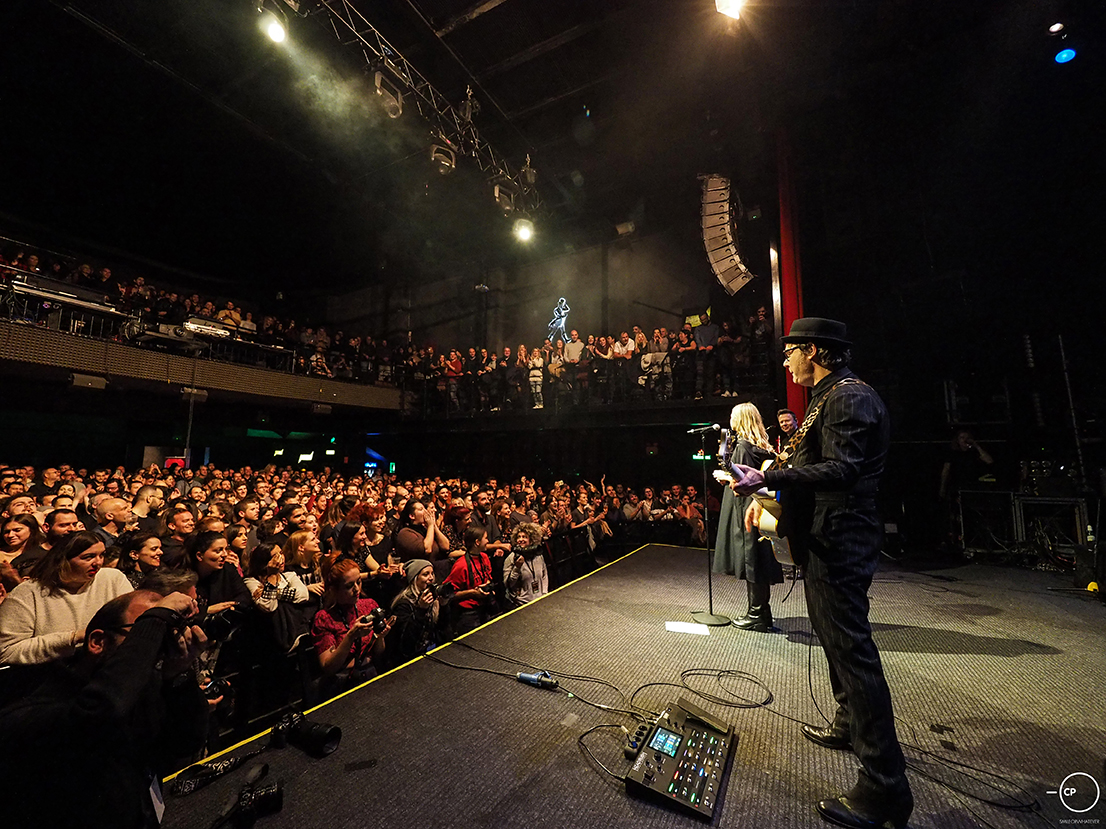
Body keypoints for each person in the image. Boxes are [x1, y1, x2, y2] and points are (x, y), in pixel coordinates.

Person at [728, 318, 912, 829]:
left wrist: (771, 477)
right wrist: (769, 487)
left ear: (813, 350)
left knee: (852, 651)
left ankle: (885, 788)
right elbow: (810, 461)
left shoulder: (848, 396)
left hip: (842, 533)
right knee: (834, 638)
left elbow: (842, 469)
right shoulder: (828, 396)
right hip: (828, 531)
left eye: (790, 352)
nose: (786, 361)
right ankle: (849, 721)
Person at [0, 589, 209, 829]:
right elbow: (101, 713)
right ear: (98, 642)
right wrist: (155, 619)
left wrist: (178, 677)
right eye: (144, 633)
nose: (155, 646)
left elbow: (186, 742)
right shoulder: (36, 706)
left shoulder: (143, 686)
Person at [0, 531, 132, 664]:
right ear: (63, 560)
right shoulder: (29, 593)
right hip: (49, 671)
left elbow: (133, 628)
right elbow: (6, 651)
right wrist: (73, 638)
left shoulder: (113, 579)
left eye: (101, 555)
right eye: (88, 557)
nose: (98, 562)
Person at [715, 403, 782, 632]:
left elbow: (742, 481)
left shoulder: (743, 446)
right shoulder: (763, 447)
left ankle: (756, 614)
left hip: (745, 508)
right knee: (759, 558)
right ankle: (761, 612)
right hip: (762, 506)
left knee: (752, 558)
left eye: (733, 416)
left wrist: (725, 477)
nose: (730, 420)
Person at [311, 558, 395, 694]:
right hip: (343, 683)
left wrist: (380, 637)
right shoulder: (324, 618)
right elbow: (328, 667)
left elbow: (378, 652)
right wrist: (350, 636)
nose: (356, 589)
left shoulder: (368, 605)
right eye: (349, 586)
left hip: (370, 673)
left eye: (358, 582)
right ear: (334, 590)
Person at [443, 524, 497, 634]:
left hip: (485, 608)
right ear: (477, 542)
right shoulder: (461, 565)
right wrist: (472, 593)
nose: (488, 541)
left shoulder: (484, 558)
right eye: (485, 538)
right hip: (468, 614)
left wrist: (486, 585)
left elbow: (488, 578)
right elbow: (447, 593)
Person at [389, 558, 443, 665]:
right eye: (425, 574)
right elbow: (406, 641)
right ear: (414, 578)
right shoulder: (403, 604)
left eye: (432, 573)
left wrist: (444, 606)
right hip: (409, 659)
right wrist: (421, 610)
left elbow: (442, 629)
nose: (431, 578)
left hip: (431, 650)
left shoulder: (432, 597)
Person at [502, 522, 549, 607]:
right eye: (518, 537)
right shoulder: (511, 558)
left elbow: (544, 575)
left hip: (540, 599)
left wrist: (544, 593)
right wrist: (517, 567)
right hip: (521, 603)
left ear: (531, 540)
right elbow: (508, 584)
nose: (521, 539)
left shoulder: (538, 556)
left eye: (524, 537)